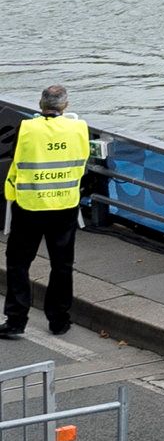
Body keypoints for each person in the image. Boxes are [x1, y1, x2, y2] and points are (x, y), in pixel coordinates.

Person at [3, 83, 95, 340]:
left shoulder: (27, 128)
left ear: (40, 105)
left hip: (30, 205)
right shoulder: (79, 128)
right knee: (62, 265)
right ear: (66, 105)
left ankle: (16, 320)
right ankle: (59, 321)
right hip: (65, 205)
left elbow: (15, 158)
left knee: (18, 264)